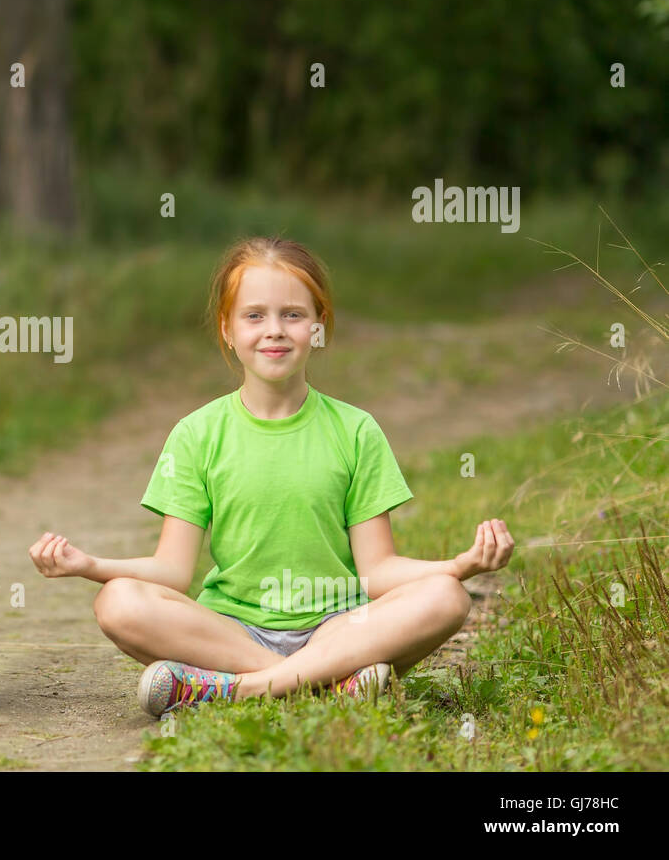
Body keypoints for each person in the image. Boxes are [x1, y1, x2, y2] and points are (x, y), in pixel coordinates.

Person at [29, 235, 514, 718]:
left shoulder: (355, 430)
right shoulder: (196, 434)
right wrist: (87, 564)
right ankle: (326, 683)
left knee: (447, 597)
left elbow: (377, 570)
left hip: (340, 626)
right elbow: (173, 572)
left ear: (318, 327)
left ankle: (238, 690)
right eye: (254, 315)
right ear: (227, 328)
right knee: (116, 602)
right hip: (233, 631)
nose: (274, 330)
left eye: (294, 315)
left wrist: (459, 566)